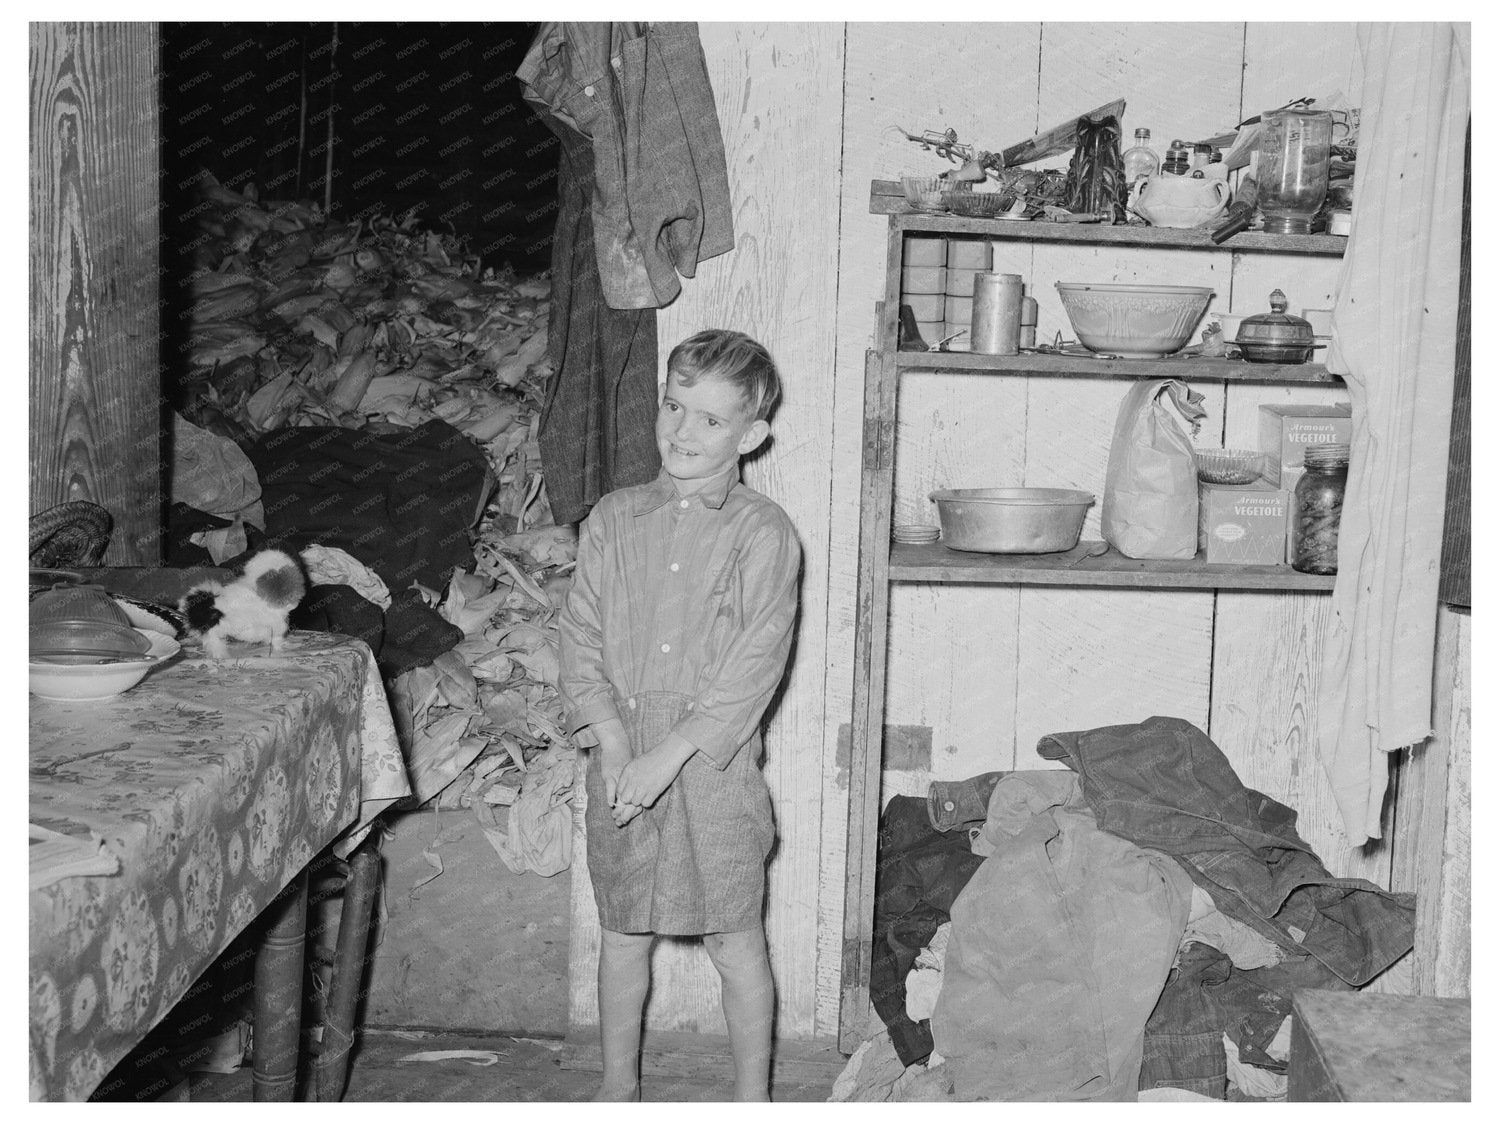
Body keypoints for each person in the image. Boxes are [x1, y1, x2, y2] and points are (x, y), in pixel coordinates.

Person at [558, 329, 801, 1102]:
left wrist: (669, 757)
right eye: (673, 406)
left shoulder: (763, 532)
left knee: (735, 936)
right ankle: (615, 1089)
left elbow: (754, 665)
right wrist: (614, 742)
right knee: (623, 932)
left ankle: (752, 1102)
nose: (682, 432)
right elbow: (579, 633)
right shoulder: (614, 517)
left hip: (715, 769)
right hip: (622, 755)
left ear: (751, 435)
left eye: (710, 419)